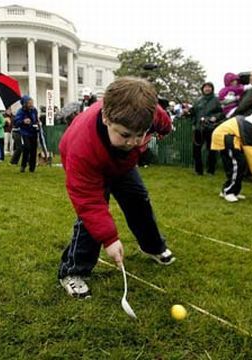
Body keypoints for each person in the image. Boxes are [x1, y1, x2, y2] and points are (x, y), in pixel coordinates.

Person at [57, 77, 175, 299]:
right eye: (125, 135)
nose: (134, 141)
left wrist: (162, 130)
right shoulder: (82, 148)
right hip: (92, 166)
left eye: (140, 134)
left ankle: (152, 246)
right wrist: (110, 239)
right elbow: (89, 202)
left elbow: (163, 123)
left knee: (139, 200)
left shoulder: (146, 111)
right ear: (106, 118)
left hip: (122, 165)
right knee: (90, 221)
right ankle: (72, 272)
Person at [211, 111, 252, 202]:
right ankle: (229, 192)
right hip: (227, 138)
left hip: (228, 137)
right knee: (238, 164)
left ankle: (230, 191)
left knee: (237, 165)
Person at [191, 82, 225, 175]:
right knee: (196, 150)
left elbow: (221, 113)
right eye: (205, 87)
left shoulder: (216, 100)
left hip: (210, 128)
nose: (207, 89)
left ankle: (211, 170)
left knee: (211, 150)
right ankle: (198, 170)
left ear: (212, 89)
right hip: (198, 128)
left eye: (209, 87)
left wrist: (215, 118)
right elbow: (193, 113)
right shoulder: (198, 100)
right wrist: (188, 112)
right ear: (202, 89)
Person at [14, 95, 39, 173]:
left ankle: (32, 168)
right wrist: (23, 121)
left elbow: (36, 119)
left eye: (32, 102)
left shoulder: (34, 110)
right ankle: (23, 166)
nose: (31, 104)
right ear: (25, 104)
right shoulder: (20, 112)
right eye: (29, 103)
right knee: (27, 148)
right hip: (25, 133)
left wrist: (38, 123)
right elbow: (16, 123)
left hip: (34, 132)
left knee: (34, 150)